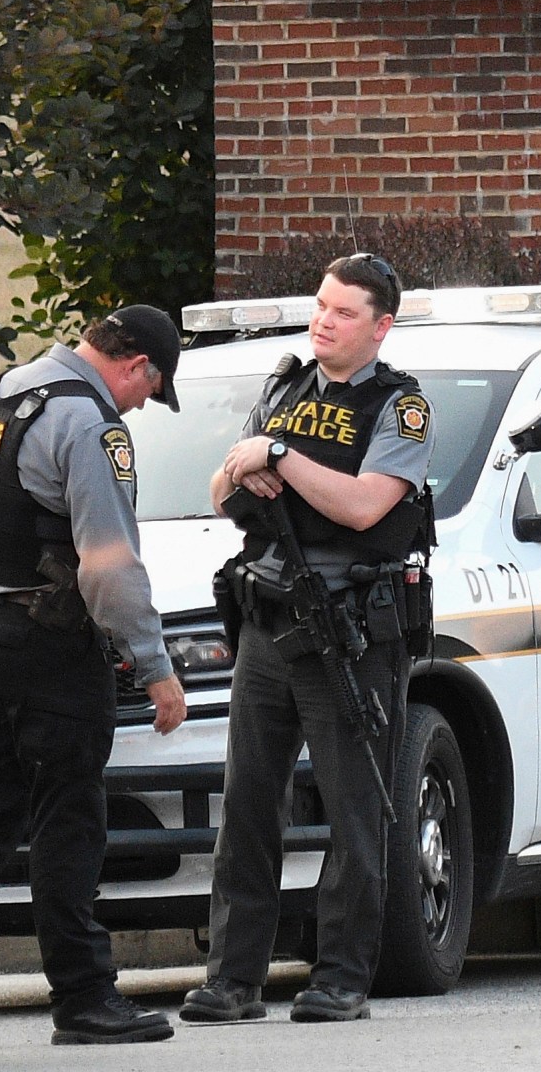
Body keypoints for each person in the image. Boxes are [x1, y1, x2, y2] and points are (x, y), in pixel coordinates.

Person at [0, 306, 191, 1048]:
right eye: (149, 393)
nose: (141, 407)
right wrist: (157, 671)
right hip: (51, 642)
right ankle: (86, 998)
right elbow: (111, 566)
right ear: (137, 367)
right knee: (70, 817)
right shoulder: (90, 425)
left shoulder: (10, 389)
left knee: (0, 801)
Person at [181, 254, 433, 1025]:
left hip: (350, 630)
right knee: (251, 805)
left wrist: (281, 459)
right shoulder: (285, 386)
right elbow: (221, 491)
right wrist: (249, 463)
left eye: (343, 312)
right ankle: (233, 978)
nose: (322, 320)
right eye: (320, 306)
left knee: (356, 810)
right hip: (268, 619)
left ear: (380, 326)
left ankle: (340, 978)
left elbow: (364, 507)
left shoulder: (400, 407)